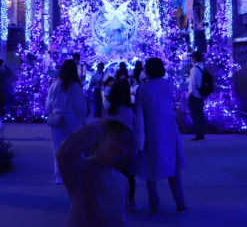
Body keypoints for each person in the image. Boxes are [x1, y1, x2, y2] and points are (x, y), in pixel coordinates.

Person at [135, 57, 188, 215]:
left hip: (150, 130)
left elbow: (138, 112)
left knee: (150, 167)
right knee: (173, 167)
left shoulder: (142, 88)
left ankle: (154, 203)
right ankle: (180, 203)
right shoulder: (168, 85)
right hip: (169, 130)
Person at [56, 119, 133, 226]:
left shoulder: (122, 180)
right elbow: (65, 154)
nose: (121, 147)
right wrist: (92, 127)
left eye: (126, 145)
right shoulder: (82, 170)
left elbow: (121, 218)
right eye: (117, 139)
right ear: (99, 138)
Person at [47, 59, 88, 183]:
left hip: (57, 118)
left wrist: (51, 113)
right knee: (75, 145)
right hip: (72, 118)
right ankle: (75, 171)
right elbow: (80, 106)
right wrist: (83, 120)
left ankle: (60, 175)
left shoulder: (55, 83)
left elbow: (49, 103)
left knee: (58, 146)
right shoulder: (75, 85)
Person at [103, 78, 138, 209]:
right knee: (128, 174)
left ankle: (111, 199)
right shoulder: (127, 111)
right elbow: (128, 130)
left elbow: (103, 126)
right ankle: (130, 201)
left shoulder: (107, 109)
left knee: (111, 173)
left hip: (108, 144)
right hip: (124, 147)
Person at [188, 51, 206, 141]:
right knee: (200, 114)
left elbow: (192, 82)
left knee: (195, 115)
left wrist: (190, 92)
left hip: (195, 94)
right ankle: (201, 132)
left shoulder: (194, 69)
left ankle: (198, 134)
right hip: (201, 93)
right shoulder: (202, 67)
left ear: (194, 58)